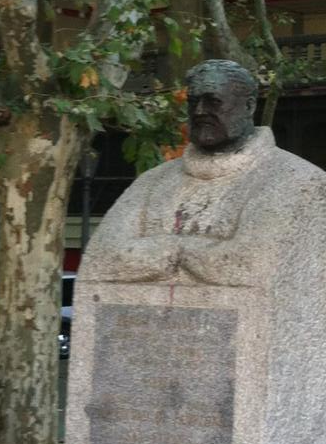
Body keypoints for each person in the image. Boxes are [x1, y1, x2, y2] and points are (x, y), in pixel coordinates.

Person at [83, 58, 326, 288]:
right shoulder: (151, 182)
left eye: (213, 101)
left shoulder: (298, 182)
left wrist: (163, 250)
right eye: (193, 101)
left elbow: (247, 264)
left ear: (249, 106)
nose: (199, 111)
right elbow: (101, 257)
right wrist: (187, 252)